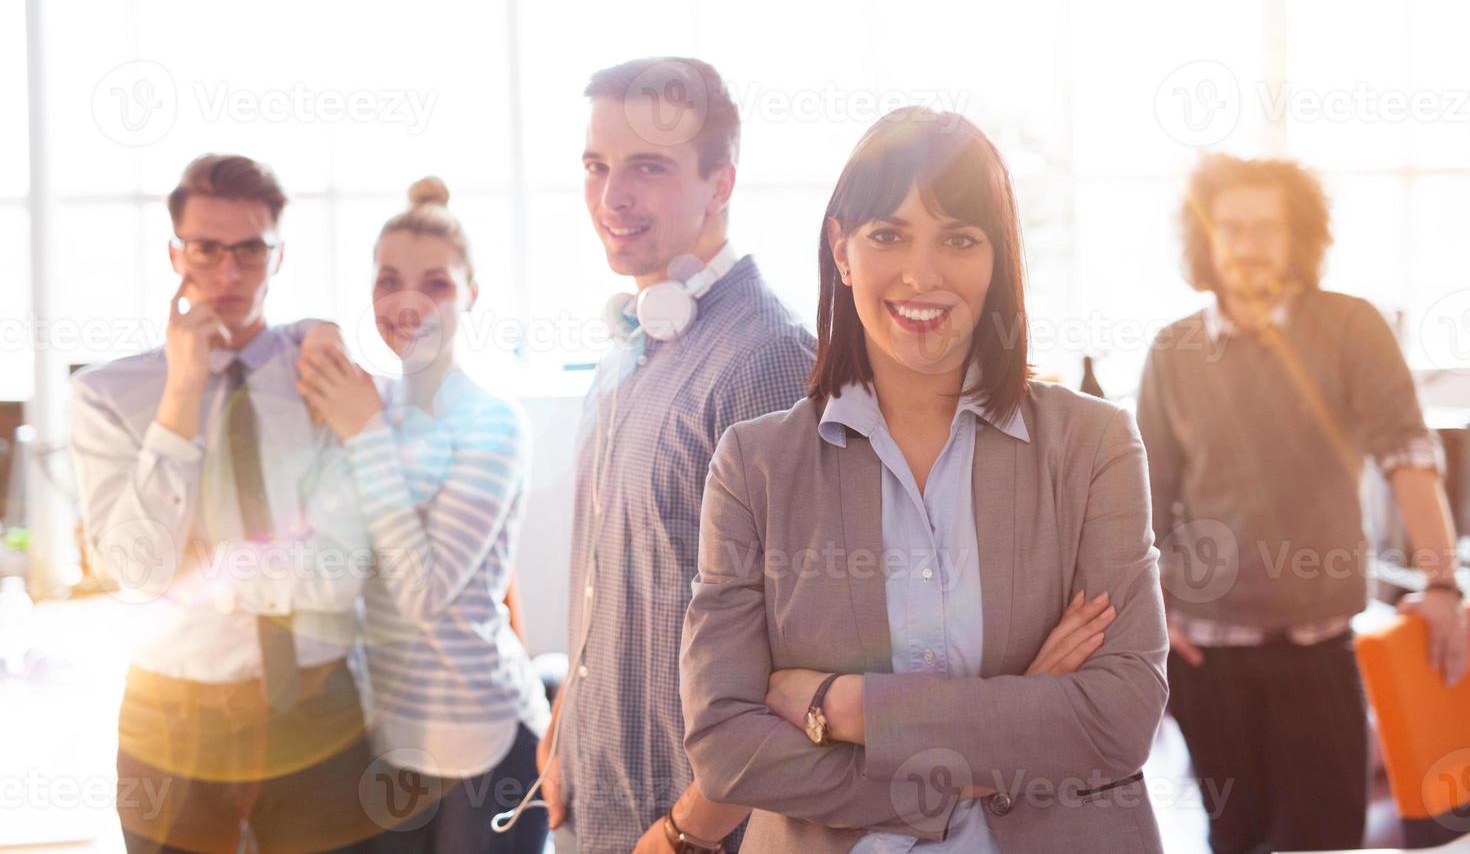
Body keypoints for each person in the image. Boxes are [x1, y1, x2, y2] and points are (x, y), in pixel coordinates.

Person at [680, 108, 1170, 853]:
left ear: (997, 258)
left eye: (960, 239)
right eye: (888, 235)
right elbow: (725, 749)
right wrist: (1017, 718)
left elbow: (1118, 719)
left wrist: (843, 707)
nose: (923, 273)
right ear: (841, 249)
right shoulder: (756, 467)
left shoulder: (1092, 445)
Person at [1137, 154, 1468, 853]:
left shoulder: (1350, 327)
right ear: (1206, 239)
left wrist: (1441, 584)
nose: (1249, 245)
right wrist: (1154, 607)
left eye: (1268, 228)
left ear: (1300, 239)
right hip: (1207, 655)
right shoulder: (1174, 349)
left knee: (1323, 837)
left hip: (1319, 647)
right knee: (1235, 835)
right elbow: (1147, 500)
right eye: (1232, 228)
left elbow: (1408, 456)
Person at [536, 57, 815, 854]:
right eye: (597, 166)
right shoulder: (628, 350)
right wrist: (564, 728)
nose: (611, 198)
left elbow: (800, 649)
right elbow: (608, 579)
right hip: (595, 806)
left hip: (689, 835)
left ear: (720, 183)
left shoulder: (768, 357)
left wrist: (686, 833)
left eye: (647, 169)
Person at [70, 154, 376, 853]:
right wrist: (179, 401)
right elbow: (139, 575)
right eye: (207, 248)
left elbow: (343, 570)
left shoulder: (320, 375)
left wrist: (206, 568)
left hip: (318, 702)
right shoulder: (109, 396)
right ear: (176, 252)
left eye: (250, 250)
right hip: (173, 713)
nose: (230, 273)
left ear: (279, 254)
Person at [292, 177, 551, 852]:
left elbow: (424, 594)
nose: (408, 302)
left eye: (435, 283)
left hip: (483, 741)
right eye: (388, 281)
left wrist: (363, 436)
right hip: (389, 740)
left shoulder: (493, 422)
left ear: (471, 294)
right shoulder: (367, 405)